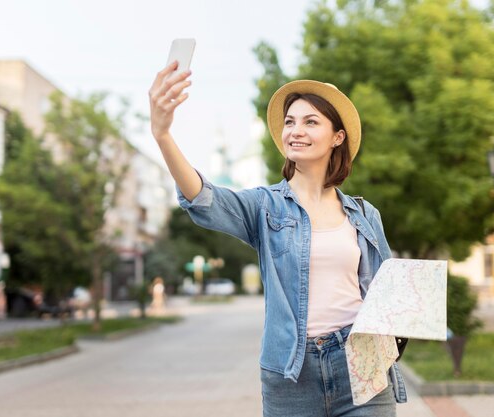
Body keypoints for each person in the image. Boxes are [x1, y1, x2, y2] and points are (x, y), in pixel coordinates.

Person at [148, 61, 406, 417]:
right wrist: (162, 134)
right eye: (290, 122)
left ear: (337, 137)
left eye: (310, 121)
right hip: (291, 373)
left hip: (361, 365)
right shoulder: (264, 207)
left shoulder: (365, 215)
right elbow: (204, 199)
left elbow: (387, 295)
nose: (295, 130)